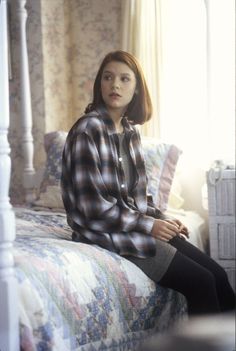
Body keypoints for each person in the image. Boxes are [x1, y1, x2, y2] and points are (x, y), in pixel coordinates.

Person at [61, 50, 235, 315]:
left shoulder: (130, 132)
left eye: (124, 79)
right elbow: (93, 207)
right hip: (103, 232)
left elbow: (137, 200)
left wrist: (162, 219)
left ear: (137, 90)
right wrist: (150, 225)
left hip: (132, 226)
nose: (115, 85)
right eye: (107, 77)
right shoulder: (88, 130)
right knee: (201, 282)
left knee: (218, 276)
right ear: (100, 85)